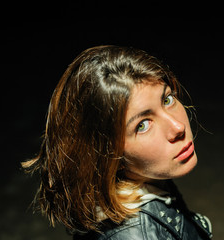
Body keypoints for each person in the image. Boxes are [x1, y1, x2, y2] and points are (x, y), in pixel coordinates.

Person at [22, 45, 212, 239]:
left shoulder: (149, 182)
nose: (178, 127)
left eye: (167, 99)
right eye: (142, 125)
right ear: (107, 154)